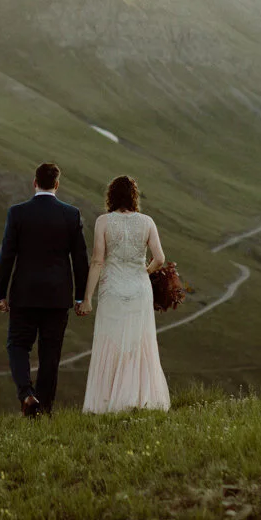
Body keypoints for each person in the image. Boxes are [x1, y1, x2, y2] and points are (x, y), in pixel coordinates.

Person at [0, 162, 89, 417]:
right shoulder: (71, 214)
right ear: (57, 185)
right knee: (51, 353)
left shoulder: (18, 213)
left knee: (18, 345)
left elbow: (6, 257)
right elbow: (80, 260)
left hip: (24, 294)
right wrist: (81, 297)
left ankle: (27, 395)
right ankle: (43, 411)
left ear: (34, 183)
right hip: (57, 297)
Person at [78, 174, 171, 413]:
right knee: (139, 343)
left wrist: (87, 298)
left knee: (110, 342)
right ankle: (139, 400)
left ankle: (108, 402)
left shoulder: (103, 222)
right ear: (134, 197)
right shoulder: (147, 221)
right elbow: (160, 259)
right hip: (140, 288)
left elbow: (98, 261)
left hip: (112, 289)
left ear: (111, 197)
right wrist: (144, 271)